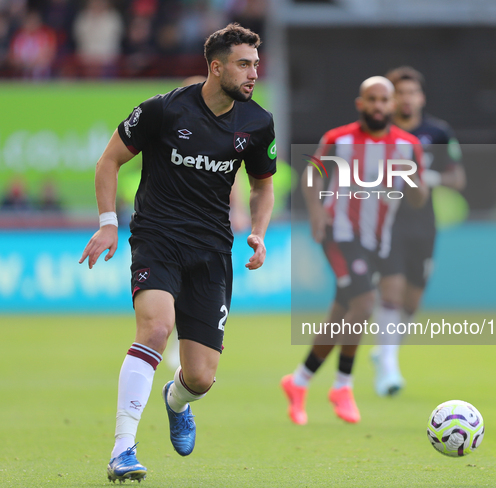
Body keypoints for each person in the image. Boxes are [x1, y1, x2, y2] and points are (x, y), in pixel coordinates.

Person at [79, 23, 276, 483]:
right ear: (216, 67)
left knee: (202, 377)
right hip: (157, 238)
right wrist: (108, 224)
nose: (253, 74)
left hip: (211, 252)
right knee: (155, 328)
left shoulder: (257, 122)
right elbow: (109, 160)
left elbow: (262, 185)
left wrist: (260, 232)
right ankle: (122, 450)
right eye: (244, 65)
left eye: (256, 65)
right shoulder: (163, 110)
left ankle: (176, 400)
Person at [281, 76, 427, 425]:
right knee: (364, 304)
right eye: (371, 99)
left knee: (342, 313)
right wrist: (316, 210)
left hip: (379, 240)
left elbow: (419, 197)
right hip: (339, 234)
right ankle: (342, 386)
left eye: (384, 100)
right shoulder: (338, 138)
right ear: (360, 104)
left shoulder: (408, 146)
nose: (378, 106)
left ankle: (299, 380)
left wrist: (417, 184)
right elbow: (312, 172)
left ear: (392, 106)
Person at [371, 66, 466, 396]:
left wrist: (429, 178)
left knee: (413, 299)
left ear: (421, 97)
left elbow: (458, 178)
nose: (406, 99)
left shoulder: (438, 133)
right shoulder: (379, 131)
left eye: (412, 92)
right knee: (391, 291)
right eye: (400, 94)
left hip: (424, 223)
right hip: (388, 221)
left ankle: (386, 349)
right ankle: (388, 368)